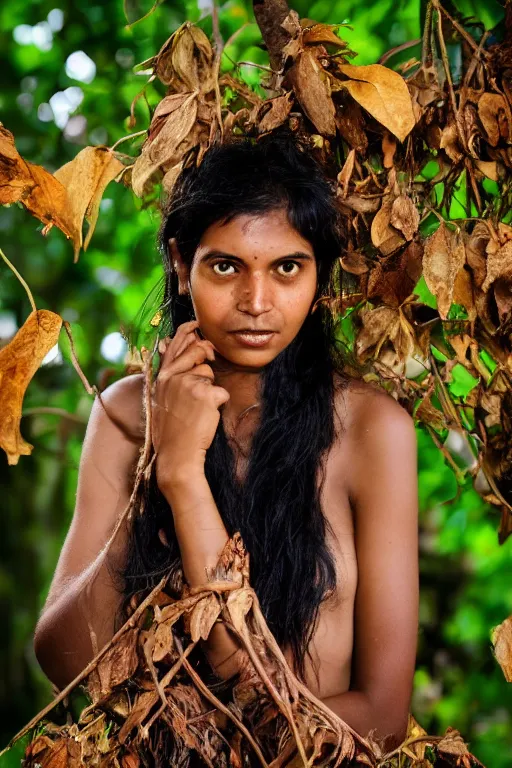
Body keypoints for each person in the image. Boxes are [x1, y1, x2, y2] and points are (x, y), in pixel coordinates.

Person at [33, 130, 419, 752]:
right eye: (226, 266)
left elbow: (383, 710)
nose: (257, 302)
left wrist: (183, 479)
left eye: (287, 267)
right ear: (183, 265)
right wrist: (165, 463)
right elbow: (65, 660)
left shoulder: (372, 432)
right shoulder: (128, 413)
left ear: (319, 278)